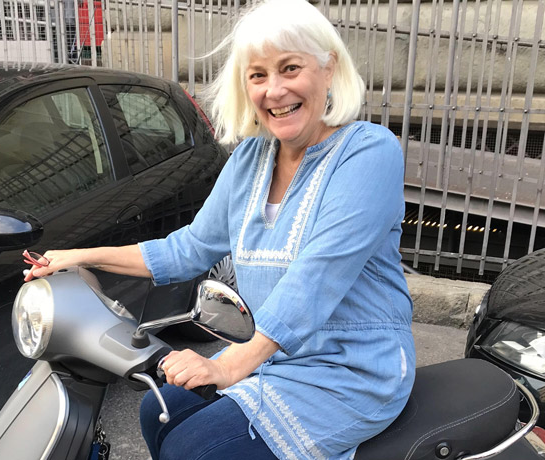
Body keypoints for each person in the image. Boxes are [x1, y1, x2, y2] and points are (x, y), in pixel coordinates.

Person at [25, 0, 416, 458]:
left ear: (328, 69)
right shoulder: (250, 160)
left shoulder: (368, 152)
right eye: (258, 75)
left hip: (351, 372)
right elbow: (187, 249)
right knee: (157, 409)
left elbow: (318, 276)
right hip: (275, 359)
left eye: (290, 68)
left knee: (194, 447)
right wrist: (80, 256)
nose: (274, 90)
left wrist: (230, 365)